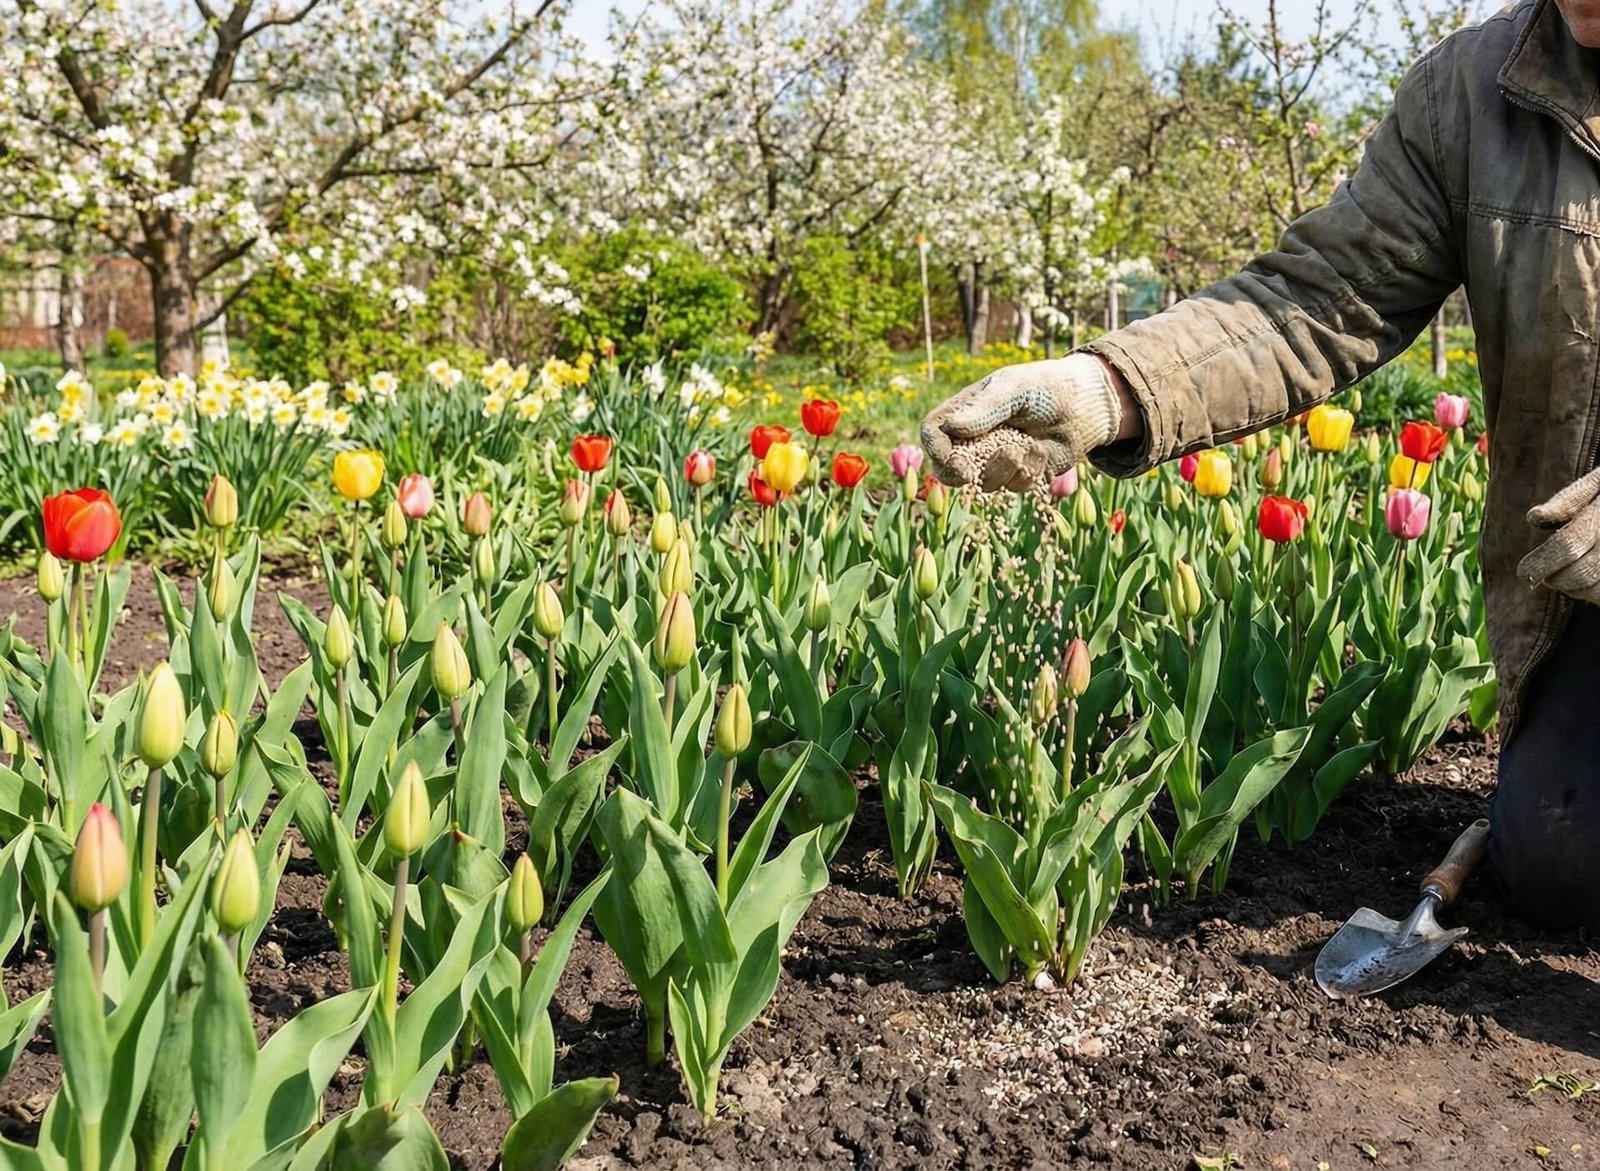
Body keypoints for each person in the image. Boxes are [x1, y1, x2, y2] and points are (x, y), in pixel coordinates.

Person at [922, 0, 1600, 932]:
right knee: (1565, 869)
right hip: (1581, 588)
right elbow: (1318, 297)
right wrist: (1105, 388)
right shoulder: (1479, 93)